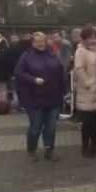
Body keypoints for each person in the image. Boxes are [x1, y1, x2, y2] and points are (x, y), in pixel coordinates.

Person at [15, 32, 66, 162]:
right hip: (34, 99)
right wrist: (33, 80)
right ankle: (31, 150)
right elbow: (19, 73)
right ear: (32, 43)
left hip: (53, 97)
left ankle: (49, 150)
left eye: (42, 40)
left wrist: (64, 91)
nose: (40, 43)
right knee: (35, 127)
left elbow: (60, 72)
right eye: (37, 41)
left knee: (51, 127)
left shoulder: (52, 54)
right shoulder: (26, 56)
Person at [74, 26, 96, 158]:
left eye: (94, 37)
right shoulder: (80, 52)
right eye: (90, 38)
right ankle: (85, 147)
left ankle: (94, 145)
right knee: (87, 122)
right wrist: (88, 83)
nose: (93, 40)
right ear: (84, 39)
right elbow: (79, 69)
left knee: (95, 122)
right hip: (87, 92)